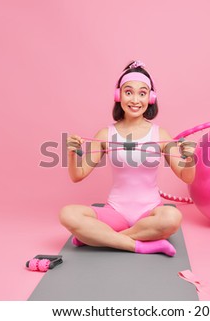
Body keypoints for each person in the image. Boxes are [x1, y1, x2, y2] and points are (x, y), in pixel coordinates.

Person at [59, 60, 196, 257]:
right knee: (68, 214)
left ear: (150, 97)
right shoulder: (105, 134)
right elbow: (77, 175)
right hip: (115, 212)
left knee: (172, 217)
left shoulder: (161, 134)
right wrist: (72, 153)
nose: (135, 100)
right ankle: (140, 245)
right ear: (119, 95)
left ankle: (98, 238)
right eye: (128, 92)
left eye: (142, 93)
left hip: (149, 212)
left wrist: (190, 157)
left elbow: (187, 176)